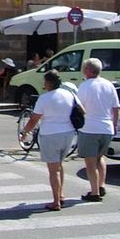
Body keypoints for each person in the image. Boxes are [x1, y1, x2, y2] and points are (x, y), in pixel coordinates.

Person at [19, 70, 78, 211]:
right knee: (59, 165)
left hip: (51, 134)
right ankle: (61, 195)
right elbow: (81, 109)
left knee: (53, 170)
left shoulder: (44, 98)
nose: (43, 84)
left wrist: (25, 132)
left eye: (45, 81)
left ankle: (56, 202)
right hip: (68, 133)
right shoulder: (69, 94)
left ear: (49, 83)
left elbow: (34, 119)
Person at [76, 57, 120, 202]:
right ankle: (101, 185)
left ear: (88, 70)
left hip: (90, 128)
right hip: (107, 127)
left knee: (90, 162)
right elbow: (116, 108)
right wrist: (115, 124)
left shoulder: (85, 86)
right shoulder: (109, 84)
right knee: (100, 158)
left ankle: (94, 192)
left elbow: (79, 106)